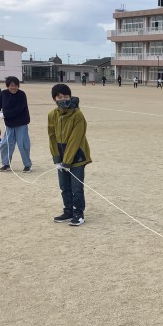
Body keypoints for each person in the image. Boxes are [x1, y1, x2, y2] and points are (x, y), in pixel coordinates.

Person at [48, 84, 92, 226]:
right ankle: (68, 211)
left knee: (76, 188)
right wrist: (57, 158)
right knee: (64, 186)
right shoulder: (52, 115)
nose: (63, 99)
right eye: (60, 97)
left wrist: (67, 161)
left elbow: (75, 139)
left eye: (66, 96)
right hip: (62, 157)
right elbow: (52, 137)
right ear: (54, 99)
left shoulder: (77, 115)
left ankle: (78, 213)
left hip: (77, 156)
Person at [0, 76, 32, 173]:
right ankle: (6, 164)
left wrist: (5, 114)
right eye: (11, 85)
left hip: (21, 123)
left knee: (23, 144)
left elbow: (19, 109)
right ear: (7, 86)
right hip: (9, 124)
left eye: (15, 85)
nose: (13, 87)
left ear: (18, 86)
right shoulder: (3, 93)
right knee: (6, 144)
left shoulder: (22, 94)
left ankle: (27, 165)